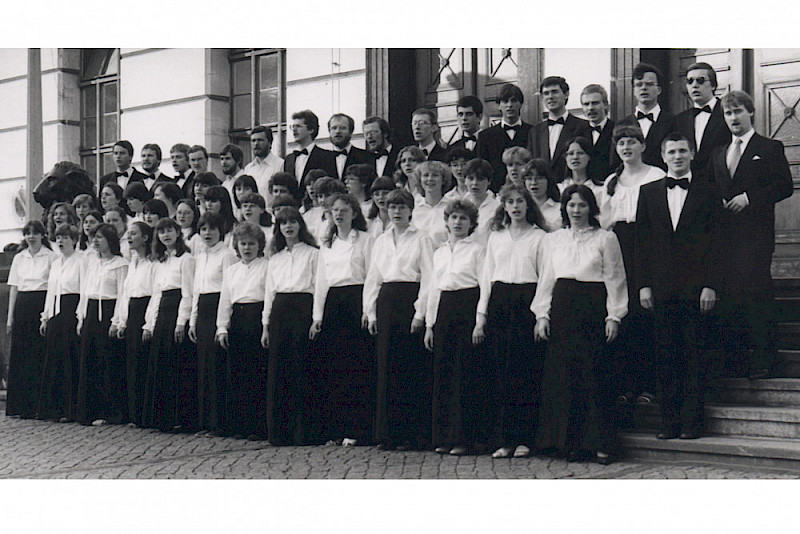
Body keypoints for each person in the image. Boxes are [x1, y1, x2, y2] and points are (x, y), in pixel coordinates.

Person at [635, 132, 723, 440]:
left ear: (693, 153)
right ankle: (668, 422)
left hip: (697, 289)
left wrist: (711, 285)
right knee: (664, 355)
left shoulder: (709, 192)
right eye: (671, 151)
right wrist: (644, 286)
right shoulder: (648, 193)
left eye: (682, 151)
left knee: (694, 355)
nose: (677, 156)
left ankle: (692, 423)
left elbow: (717, 243)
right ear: (663, 156)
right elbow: (641, 244)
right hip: (660, 288)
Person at [532, 184, 627, 464]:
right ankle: (564, 443)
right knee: (563, 377)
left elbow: (615, 278)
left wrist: (614, 316)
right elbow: (547, 279)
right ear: (564, 208)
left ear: (591, 208)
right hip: (562, 310)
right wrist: (542, 314)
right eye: (571, 205)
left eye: (582, 205)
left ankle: (598, 444)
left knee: (594, 377)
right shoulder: (554, 240)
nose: (576, 210)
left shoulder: (605, 238)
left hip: (592, 309)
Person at [709, 90, 793, 379]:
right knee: (731, 298)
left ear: (751, 112)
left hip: (755, 237)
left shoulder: (769, 148)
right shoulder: (718, 153)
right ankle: (735, 360)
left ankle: (766, 359)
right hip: (724, 239)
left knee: (757, 295)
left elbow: (784, 186)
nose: (733, 117)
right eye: (728, 113)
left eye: (738, 111)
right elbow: (709, 189)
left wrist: (749, 197)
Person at [474, 185, 547, 459]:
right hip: (499, 303)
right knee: (499, 373)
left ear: (528, 205)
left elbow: (545, 278)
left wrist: (541, 314)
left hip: (526, 302)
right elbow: (486, 278)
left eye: (520, 202)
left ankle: (525, 438)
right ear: (503, 206)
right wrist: (481, 317)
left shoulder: (540, 238)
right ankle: (503, 439)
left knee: (525, 372)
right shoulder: (496, 237)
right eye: (510, 202)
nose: (515, 207)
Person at [599, 124, 665, 406]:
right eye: (621, 143)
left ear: (643, 146)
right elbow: (603, 221)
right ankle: (624, 386)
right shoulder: (611, 181)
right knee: (621, 313)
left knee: (645, 314)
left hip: (648, 245)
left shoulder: (656, 175)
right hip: (618, 246)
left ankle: (649, 386)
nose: (626, 147)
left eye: (631, 142)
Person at [364, 189, 433, 451]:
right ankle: (387, 434)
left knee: (409, 367)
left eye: (402, 207)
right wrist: (370, 311)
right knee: (386, 366)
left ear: (411, 210)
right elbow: (373, 277)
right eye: (392, 207)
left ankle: (411, 434)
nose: (397, 212)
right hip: (386, 301)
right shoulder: (380, 240)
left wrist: (420, 312)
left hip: (409, 299)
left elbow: (428, 276)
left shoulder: (421, 239)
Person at [309, 193, 375, 446]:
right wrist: (318, 316)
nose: (338, 215)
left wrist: (368, 310)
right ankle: (335, 429)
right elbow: (321, 282)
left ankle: (358, 429)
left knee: (357, 367)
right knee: (334, 367)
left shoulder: (366, 241)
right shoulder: (327, 244)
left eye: (344, 211)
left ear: (354, 214)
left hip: (357, 299)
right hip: (334, 305)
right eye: (335, 210)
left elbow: (371, 276)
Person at [425, 199, 485, 456]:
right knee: (444, 372)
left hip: (467, 306)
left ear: (472, 224)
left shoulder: (477, 250)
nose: (458, 222)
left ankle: (465, 438)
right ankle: (444, 436)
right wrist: (429, 324)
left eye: (463, 218)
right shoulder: (439, 253)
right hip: (444, 310)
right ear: (446, 221)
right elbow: (432, 288)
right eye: (454, 218)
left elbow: (485, 286)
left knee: (465, 373)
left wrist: (480, 321)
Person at [262, 207, 319, 446]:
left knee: (301, 367)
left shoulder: (314, 254)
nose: (288, 226)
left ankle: (303, 432)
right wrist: (265, 324)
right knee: (280, 369)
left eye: (293, 222)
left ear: (300, 225)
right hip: (280, 311)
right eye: (284, 223)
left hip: (303, 308)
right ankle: (280, 431)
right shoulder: (275, 259)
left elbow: (319, 286)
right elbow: (269, 292)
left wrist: (317, 318)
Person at [214, 222, 269, 440]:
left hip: (257, 318)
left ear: (259, 245)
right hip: (237, 319)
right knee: (238, 373)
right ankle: (240, 425)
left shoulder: (266, 266)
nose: (247, 248)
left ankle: (258, 426)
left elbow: (269, 297)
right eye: (243, 244)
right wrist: (222, 327)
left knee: (257, 372)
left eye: (252, 244)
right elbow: (225, 299)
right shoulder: (231, 270)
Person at [141, 218, 195, 432]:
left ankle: (179, 418)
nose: (166, 235)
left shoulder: (186, 259)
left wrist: (181, 321)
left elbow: (188, 292)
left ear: (178, 232)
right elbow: (156, 293)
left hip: (176, 311)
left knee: (177, 364)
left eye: (170, 231)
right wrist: (150, 323)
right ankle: (161, 417)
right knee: (161, 363)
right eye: (162, 232)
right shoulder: (161, 262)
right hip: (162, 312)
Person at [75, 223, 129, 426]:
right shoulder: (93, 263)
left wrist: (117, 321)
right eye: (93, 237)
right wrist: (81, 318)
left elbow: (123, 295)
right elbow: (85, 292)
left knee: (108, 362)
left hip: (108, 312)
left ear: (110, 240)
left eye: (100, 237)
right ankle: (89, 411)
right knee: (90, 361)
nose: (95, 241)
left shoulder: (120, 264)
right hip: (91, 313)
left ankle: (110, 412)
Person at [190, 212, 237, 436]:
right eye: (203, 229)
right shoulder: (200, 257)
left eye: (212, 229)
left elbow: (229, 289)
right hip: (203, 312)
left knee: (218, 367)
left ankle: (221, 423)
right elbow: (196, 290)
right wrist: (192, 320)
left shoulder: (227, 255)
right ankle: (206, 422)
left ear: (221, 231)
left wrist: (223, 324)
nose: (207, 233)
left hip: (219, 308)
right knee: (204, 368)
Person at [5, 220, 57, 418]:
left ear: (42, 235)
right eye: (28, 233)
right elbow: (14, 288)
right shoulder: (19, 258)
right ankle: (19, 406)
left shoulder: (51, 257)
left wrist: (47, 314)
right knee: (21, 354)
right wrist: (10, 317)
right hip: (23, 305)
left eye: (35, 233)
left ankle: (37, 405)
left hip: (41, 302)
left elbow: (52, 287)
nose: (31, 237)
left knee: (38, 354)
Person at [38, 223, 86, 422]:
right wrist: (45, 317)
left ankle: (70, 409)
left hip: (71, 311)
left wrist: (80, 317)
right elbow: (51, 292)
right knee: (54, 359)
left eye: (65, 237)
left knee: (70, 360)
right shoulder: (56, 264)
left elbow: (84, 291)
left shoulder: (81, 261)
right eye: (58, 237)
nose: (60, 241)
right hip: (56, 314)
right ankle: (54, 409)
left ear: (74, 240)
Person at [114, 221, 155, 426]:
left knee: (143, 362)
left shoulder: (153, 263)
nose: (129, 237)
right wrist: (121, 321)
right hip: (132, 311)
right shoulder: (133, 263)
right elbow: (126, 294)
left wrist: (148, 323)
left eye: (134, 234)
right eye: (128, 234)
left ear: (145, 237)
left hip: (145, 311)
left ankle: (145, 414)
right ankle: (133, 414)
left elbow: (155, 294)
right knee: (132, 363)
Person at [528, 76, 592, 180]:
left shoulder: (583, 126)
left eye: (554, 92)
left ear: (566, 94)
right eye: (546, 93)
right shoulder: (535, 132)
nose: (550, 97)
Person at [615, 62, 675, 170]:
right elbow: (615, 162)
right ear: (634, 90)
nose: (644, 88)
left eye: (649, 84)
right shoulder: (622, 124)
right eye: (639, 84)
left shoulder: (673, 121)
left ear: (659, 90)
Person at [675, 62, 731, 174]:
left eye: (700, 80)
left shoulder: (727, 113)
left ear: (713, 85)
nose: (694, 85)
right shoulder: (679, 120)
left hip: (720, 183)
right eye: (690, 81)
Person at [476, 84, 534, 192]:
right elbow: (482, 170)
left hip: (527, 192)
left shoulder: (533, 132)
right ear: (499, 105)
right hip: (495, 193)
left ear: (520, 104)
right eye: (505, 101)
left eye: (513, 101)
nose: (509, 105)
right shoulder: (485, 136)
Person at [284, 109, 337, 185]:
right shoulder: (289, 159)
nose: (294, 130)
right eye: (293, 127)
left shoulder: (327, 156)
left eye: (298, 126)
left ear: (311, 130)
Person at [411, 160, 452, 247]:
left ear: (443, 180)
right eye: (426, 175)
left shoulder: (452, 207)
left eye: (435, 175)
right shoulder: (414, 208)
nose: (430, 179)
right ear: (420, 180)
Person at [580, 84, 616, 182]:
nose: (590, 108)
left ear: (605, 105)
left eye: (595, 103)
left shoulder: (616, 130)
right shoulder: (578, 133)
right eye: (586, 104)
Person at [462, 158, 501, 244]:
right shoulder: (460, 206)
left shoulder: (497, 208)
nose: (475, 183)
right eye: (471, 178)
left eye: (480, 179)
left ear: (489, 181)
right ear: (465, 180)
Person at [243, 125, 284, 201]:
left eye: (260, 140)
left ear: (270, 143)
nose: (256, 144)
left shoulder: (280, 165)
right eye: (253, 140)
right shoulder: (248, 169)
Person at [329, 113, 374, 180]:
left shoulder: (366, 157)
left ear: (351, 132)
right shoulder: (322, 158)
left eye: (343, 128)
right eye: (334, 128)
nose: (338, 131)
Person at [524, 159, 562, 232]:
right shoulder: (521, 208)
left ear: (548, 181)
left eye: (539, 178)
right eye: (529, 179)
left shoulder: (559, 208)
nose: (533, 182)